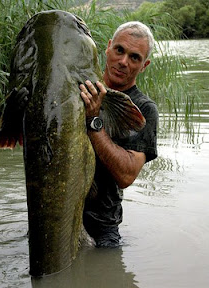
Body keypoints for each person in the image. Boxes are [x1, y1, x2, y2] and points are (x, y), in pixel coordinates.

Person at [79, 21, 159, 247]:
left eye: (134, 57)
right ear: (108, 47)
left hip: (102, 227)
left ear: (144, 65)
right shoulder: (79, 86)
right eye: (120, 51)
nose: (123, 62)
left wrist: (93, 120)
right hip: (56, 212)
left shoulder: (144, 109)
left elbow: (126, 176)